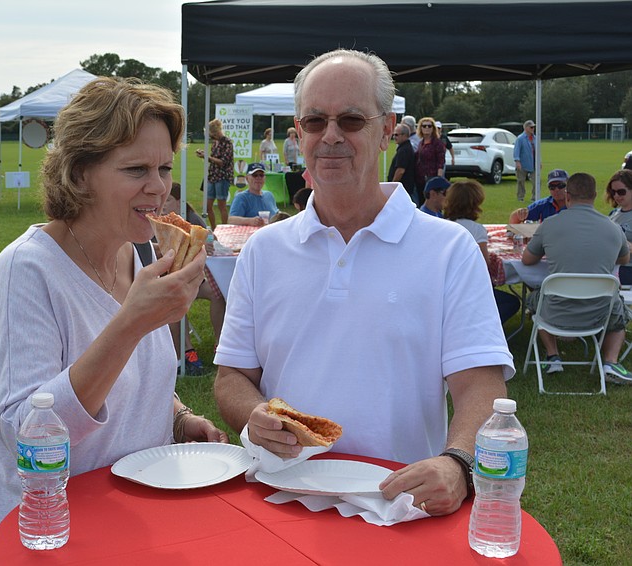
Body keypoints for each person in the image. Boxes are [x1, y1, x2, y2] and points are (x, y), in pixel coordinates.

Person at [213, 49, 512, 518]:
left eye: (351, 120)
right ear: (298, 130)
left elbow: (479, 385)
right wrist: (252, 416)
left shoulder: (447, 248)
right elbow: (233, 376)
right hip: (279, 502)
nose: (330, 136)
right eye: (315, 122)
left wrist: (458, 463)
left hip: (397, 504)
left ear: (386, 129)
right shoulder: (263, 250)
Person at [0, 77, 228, 566]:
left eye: (165, 167)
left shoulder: (142, 252)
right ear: (80, 174)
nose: (159, 187)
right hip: (48, 540)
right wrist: (130, 324)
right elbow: (25, 432)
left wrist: (177, 418)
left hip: (132, 528)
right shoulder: (27, 272)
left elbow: (133, 380)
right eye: (135, 169)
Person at [521, 172, 631, 383]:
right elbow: (624, 259)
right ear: (595, 195)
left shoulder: (550, 225)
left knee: (536, 298)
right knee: (618, 310)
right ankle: (610, 361)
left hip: (555, 310)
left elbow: (527, 260)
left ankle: (553, 355)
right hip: (600, 311)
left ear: (568, 196)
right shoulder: (613, 228)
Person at [162, 182, 226, 375]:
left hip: (193, 279)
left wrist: (210, 242)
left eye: (169, 200)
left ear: (180, 201)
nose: (164, 204)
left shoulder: (192, 218)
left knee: (218, 295)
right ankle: (186, 353)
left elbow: (208, 237)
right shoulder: (158, 222)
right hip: (166, 282)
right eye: (163, 200)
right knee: (177, 302)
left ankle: (219, 344)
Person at [444, 179, 521, 325]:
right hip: (468, 289)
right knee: (512, 303)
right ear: (475, 204)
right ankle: (482, 329)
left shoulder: (442, 225)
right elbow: (483, 264)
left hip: (445, 287)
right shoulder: (476, 229)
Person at [196, 119, 234, 228]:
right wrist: (204, 155)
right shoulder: (215, 143)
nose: (210, 137)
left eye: (211, 135)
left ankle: (224, 229)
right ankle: (213, 229)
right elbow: (213, 159)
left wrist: (207, 157)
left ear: (216, 132)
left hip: (222, 177)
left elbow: (223, 162)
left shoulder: (227, 143)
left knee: (222, 206)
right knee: (208, 206)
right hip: (212, 176)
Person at [605, 169, 632, 285]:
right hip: (611, 268)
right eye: (613, 192)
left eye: (621, 192)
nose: (616, 196)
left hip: (628, 269)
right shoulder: (612, 214)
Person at [414, 117, 446, 204]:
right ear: (420, 128)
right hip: (420, 178)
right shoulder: (421, 143)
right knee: (421, 202)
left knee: (432, 202)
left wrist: (438, 179)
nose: (427, 128)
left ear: (433, 128)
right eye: (424, 126)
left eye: (429, 126)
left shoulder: (437, 143)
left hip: (432, 177)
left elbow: (441, 161)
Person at [387, 123, 417, 204]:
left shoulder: (404, 150)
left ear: (405, 135)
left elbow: (400, 171)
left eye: (396, 135)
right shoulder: (405, 148)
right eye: (394, 135)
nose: (394, 137)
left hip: (404, 189)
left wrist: (392, 186)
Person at [513, 120, 536, 202]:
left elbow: (537, 151)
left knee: (536, 181)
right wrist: (517, 161)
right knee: (521, 181)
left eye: (533, 127)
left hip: (533, 164)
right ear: (526, 128)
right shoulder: (520, 138)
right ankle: (520, 197)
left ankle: (534, 197)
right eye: (531, 127)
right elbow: (516, 151)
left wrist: (539, 161)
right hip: (522, 164)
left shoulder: (535, 138)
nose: (533, 129)